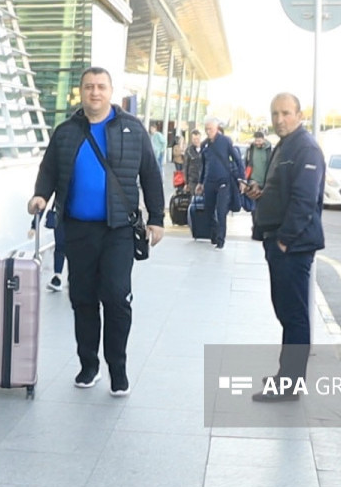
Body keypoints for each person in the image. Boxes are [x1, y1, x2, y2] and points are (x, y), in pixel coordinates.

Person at [27, 66, 165, 396]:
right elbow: (48, 169)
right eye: (89, 86)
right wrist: (40, 195)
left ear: (110, 91)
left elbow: (150, 173)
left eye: (101, 87)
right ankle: (88, 365)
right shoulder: (66, 131)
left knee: (117, 298)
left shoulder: (132, 128)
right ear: (81, 92)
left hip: (117, 229)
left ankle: (118, 369)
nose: (95, 92)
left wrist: (157, 217)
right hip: (77, 230)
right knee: (83, 299)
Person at [245, 93, 325, 402]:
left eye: (286, 113)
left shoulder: (305, 148)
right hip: (279, 240)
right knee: (286, 311)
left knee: (293, 315)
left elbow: (305, 201)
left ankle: (290, 384)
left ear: (300, 114)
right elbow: (282, 192)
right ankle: (286, 376)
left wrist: (283, 240)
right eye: (275, 113)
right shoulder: (286, 145)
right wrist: (260, 194)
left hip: (291, 245)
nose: (280, 119)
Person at [197, 117, 245, 249]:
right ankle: (213, 235)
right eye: (206, 129)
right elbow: (204, 165)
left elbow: (237, 160)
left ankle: (220, 239)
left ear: (217, 128)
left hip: (224, 181)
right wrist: (200, 183)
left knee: (221, 211)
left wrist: (241, 179)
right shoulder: (204, 144)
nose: (208, 132)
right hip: (209, 182)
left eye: (210, 129)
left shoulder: (225, 141)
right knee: (208, 210)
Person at [184, 129, 204, 195]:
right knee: (193, 200)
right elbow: (186, 166)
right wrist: (186, 183)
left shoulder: (205, 149)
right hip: (192, 180)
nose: (196, 141)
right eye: (194, 139)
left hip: (204, 180)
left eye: (197, 139)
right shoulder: (188, 151)